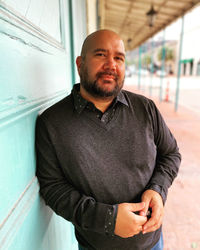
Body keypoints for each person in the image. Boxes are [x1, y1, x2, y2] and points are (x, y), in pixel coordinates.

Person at [36, 29, 181, 250]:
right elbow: (52, 187)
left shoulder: (146, 109)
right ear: (80, 63)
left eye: (119, 58)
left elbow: (170, 154)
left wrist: (157, 190)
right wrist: (108, 219)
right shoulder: (52, 123)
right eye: (101, 55)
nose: (111, 64)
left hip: (152, 243)